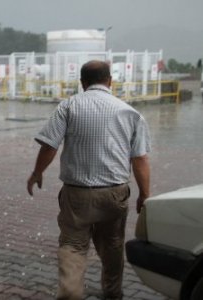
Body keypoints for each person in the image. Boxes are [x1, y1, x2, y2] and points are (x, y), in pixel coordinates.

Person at [26, 60, 151, 300]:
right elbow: (140, 159)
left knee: (73, 245)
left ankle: (71, 294)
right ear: (110, 81)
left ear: (82, 83)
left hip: (77, 195)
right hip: (114, 193)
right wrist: (144, 194)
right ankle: (113, 293)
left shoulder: (68, 106)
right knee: (113, 244)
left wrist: (37, 172)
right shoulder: (130, 112)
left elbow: (49, 146)